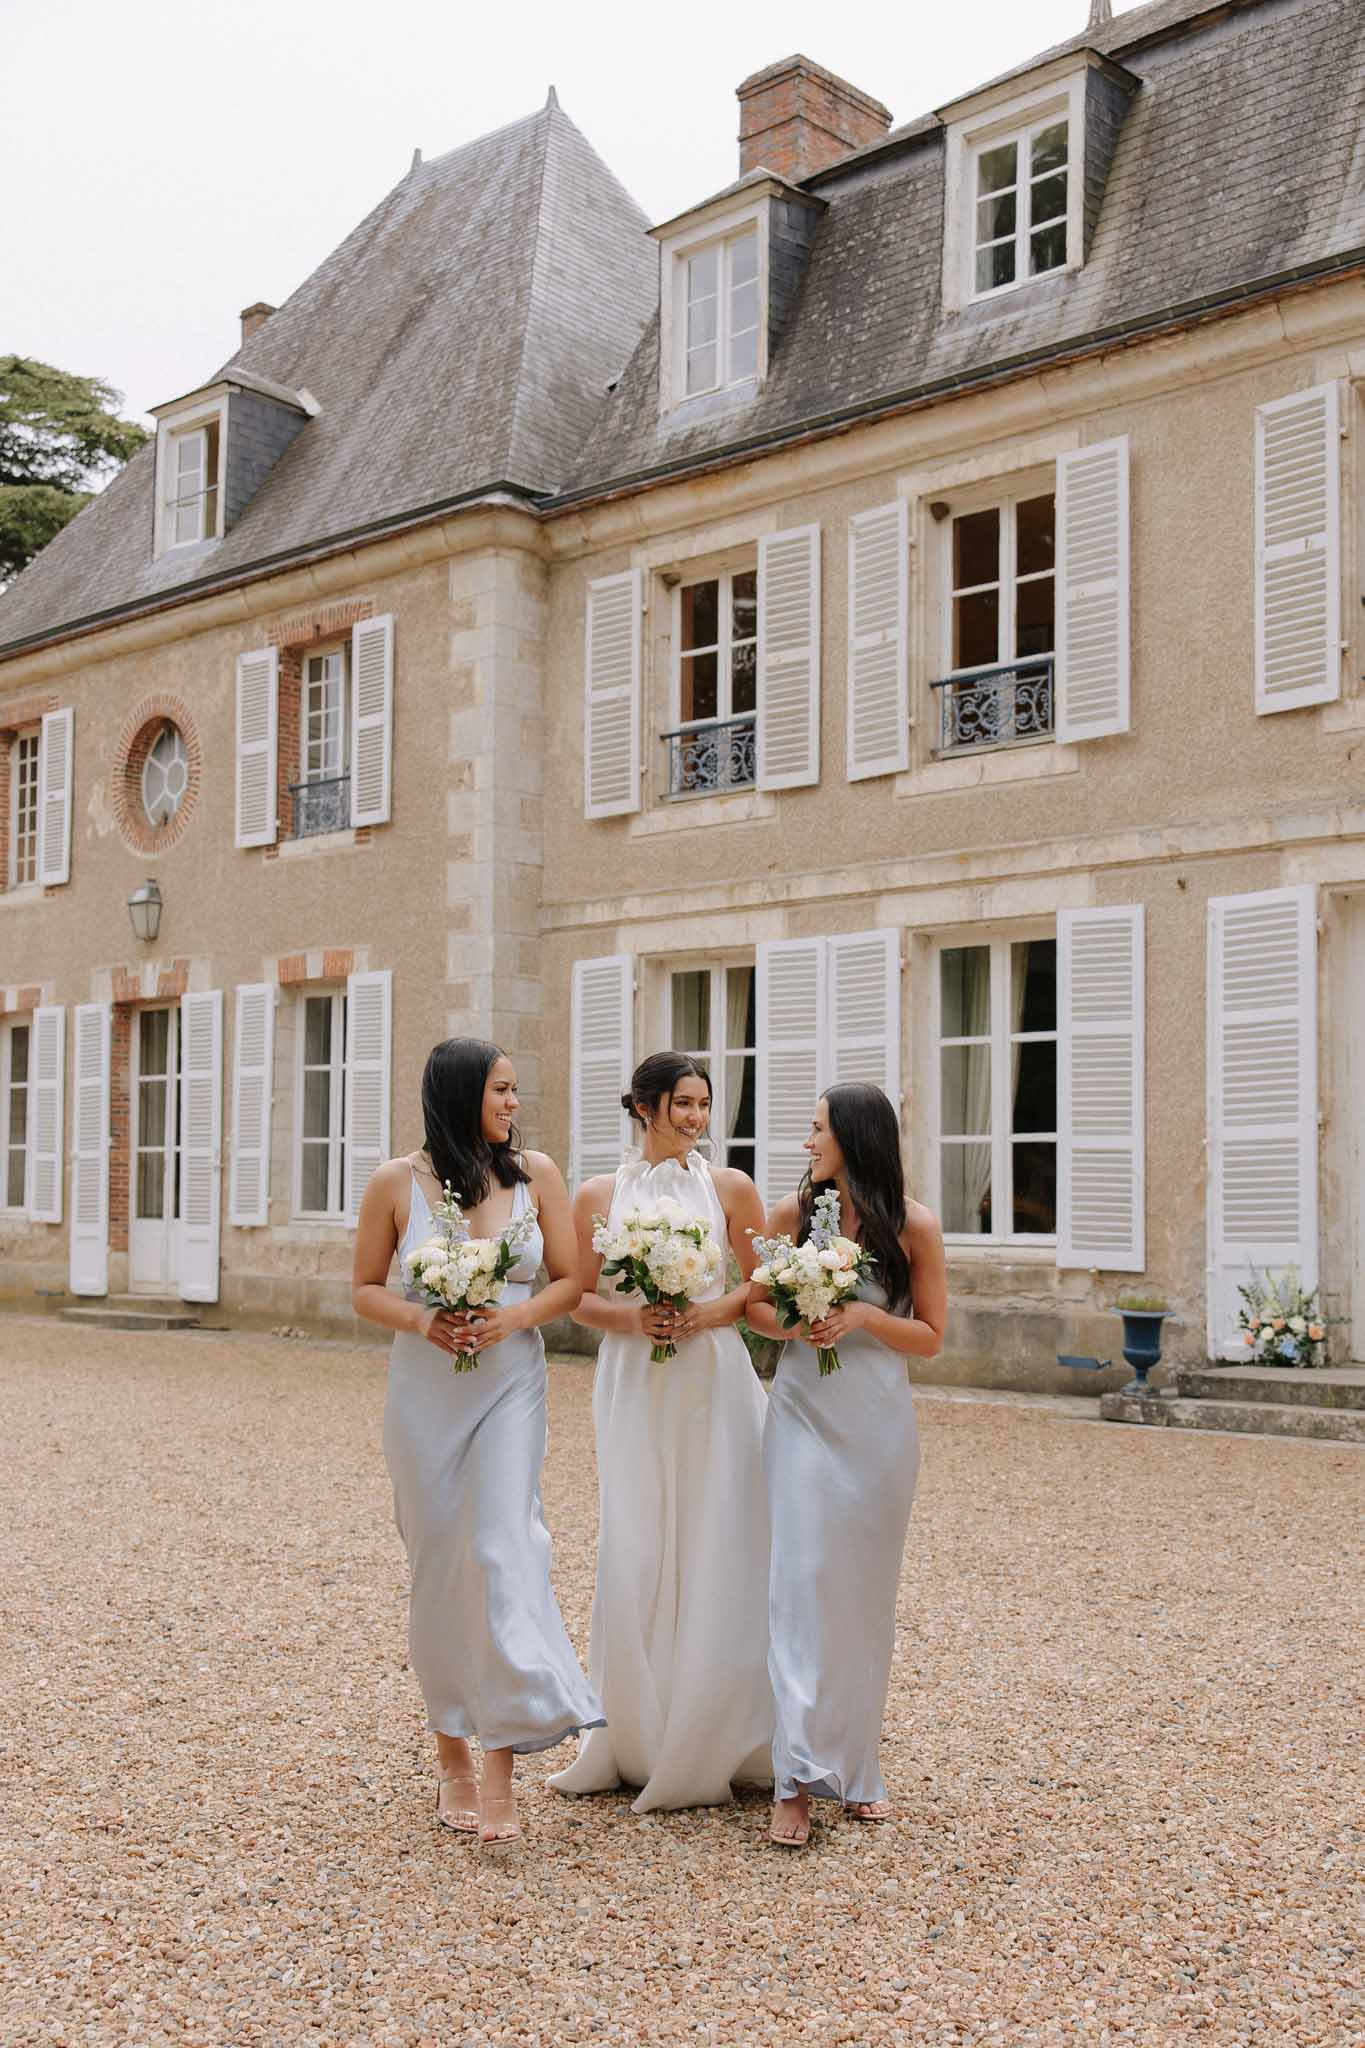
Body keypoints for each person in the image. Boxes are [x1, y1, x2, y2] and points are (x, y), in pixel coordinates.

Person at [351, 1040, 603, 1850]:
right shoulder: (397, 1182)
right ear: (461, 1094)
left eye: (515, 1091)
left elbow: (569, 1279)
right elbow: (362, 1289)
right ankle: (449, 1751)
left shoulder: (538, 1174)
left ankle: (500, 1764)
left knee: (501, 1547)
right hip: (425, 1395)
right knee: (440, 1569)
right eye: (499, 1090)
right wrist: (426, 1319)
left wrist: (514, 1317)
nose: (511, 1104)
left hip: (510, 1383)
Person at [548, 1052, 773, 1812]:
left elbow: (758, 1287)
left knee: (718, 1533)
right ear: (645, 1107)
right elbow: (577, 1295)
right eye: (682, 1103)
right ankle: (629, 1735)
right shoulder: (597, 1193)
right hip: (633, 1378)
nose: (696, 1117)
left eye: (704, 1104)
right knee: (636, 1537)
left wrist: (705, 1313)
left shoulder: (734, 1188)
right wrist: (633, 1318)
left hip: (712, 1375)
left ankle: (715, 1732)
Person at [746, 1082, 947, 1848]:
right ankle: (795, 1777)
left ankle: (857, 1768)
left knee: (862, 1599)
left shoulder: (915, 1227)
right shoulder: (791, 1217)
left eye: (818, 1129)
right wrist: (800, 1320)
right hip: (799, 1413)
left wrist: (861, 1314)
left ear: (856, 1137)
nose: (807, 1143)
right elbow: (754, 1308)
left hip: (876, 1426)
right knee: (797, 1585)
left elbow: (930, 1335)